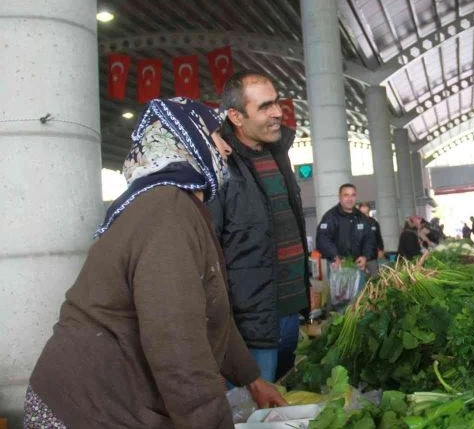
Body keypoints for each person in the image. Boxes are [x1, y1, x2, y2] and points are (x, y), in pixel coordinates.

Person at [26, 98, 285, 429]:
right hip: (85, 411)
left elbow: (212, 311)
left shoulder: (179, 207)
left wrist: (252, 380)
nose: (226, 148)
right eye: (216, 137)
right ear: (186, 143)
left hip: (106, 403)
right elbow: (177, 346)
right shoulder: (168, 213)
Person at [209, 71, 310, 384]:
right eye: (265, 106)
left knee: (283, 396)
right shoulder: (219, 164)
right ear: (236, 116)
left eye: (276, 103)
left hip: (290, 309)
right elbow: (208, 248)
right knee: (253, 404)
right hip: (251, 322)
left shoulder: (279, 153)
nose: (278, 112)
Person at [316, 183, 378, 276]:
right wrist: (335, 256)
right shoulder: (330, 217)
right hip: (338, 267)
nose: (350, 199)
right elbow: (322, 239)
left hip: (359, 266)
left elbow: (370, 239)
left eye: (353, 195)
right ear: (339, 197)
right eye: (346, 195)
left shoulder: (361, 217)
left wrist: (366, 257)